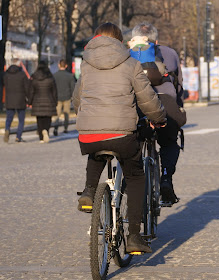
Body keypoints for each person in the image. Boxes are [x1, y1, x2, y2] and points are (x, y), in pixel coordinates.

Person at [72, 22, 166, 253]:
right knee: (135, 176)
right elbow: (146, 99)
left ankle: (88, 192)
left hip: (89, 133)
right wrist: (159, 117)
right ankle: (134, 235)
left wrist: (88, 120)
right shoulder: (130, 63)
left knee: (96, 152)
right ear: (119, 42)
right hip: (122, 134)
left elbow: (77, 99)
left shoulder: (86, 64)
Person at [129, 22, 186, 204]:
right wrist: (178, 106)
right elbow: (178, 85)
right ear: (156, 40)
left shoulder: (127, 54)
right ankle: (166, 179)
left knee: (133, 144)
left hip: (137, 104)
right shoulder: (169, 53)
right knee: (169, 142)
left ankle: (128, 183)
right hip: (165, 101)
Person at [28, 61, 58, 143]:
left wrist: (29, 102)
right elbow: (54, 91)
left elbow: (31, 91)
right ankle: (46, 130)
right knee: (48, 119)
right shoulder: (50, 78)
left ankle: (41, 137)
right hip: (49, 101)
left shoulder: (34, 78)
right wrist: (55, 101)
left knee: (39, 119)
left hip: (37, 101)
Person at [3, 58, 30, 143]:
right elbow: (27, 87)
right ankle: (18, 136)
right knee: (21, 119)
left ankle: (7, 129)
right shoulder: (22, 75)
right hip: (20, 100)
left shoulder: (6, 75)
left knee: (9, 118)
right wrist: (29, 98)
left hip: (9, 100)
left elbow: (4, 85)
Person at [53, 59, 76, 136]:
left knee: (57, 113)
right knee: (66, 113)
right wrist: (73, 97)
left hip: (57, 97)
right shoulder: (70, 76)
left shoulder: (55, 75)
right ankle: (65, 128)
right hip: (67, 97)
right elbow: (73, 87)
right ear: (66, 66)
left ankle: (55, 127)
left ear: (59, 65)